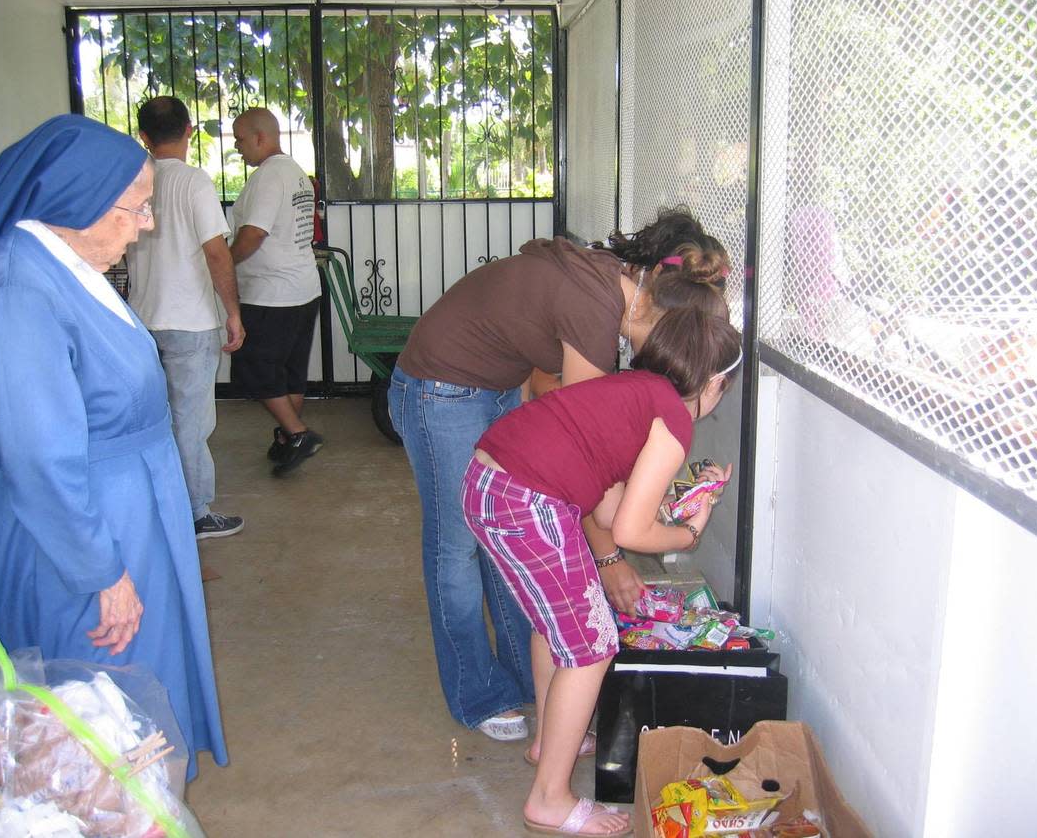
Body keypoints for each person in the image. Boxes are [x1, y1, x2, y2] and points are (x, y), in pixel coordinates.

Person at [0, 114, 227, 780]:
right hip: (82, 529)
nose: (147, 223)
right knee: (98, 701)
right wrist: (99, 573)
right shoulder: (17, 286)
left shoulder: (60, 265)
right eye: (136, 208)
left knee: (136, 689)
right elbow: (39, 454)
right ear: (77, 200)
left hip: (117, 505)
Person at [389, 207, 730, 741]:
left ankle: (533, 679)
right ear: (658, 302)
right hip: (441, 384)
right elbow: (585, 465)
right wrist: (611, 559)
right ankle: (479, 692)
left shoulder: (614, 286)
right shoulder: (595, 308)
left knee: (509, 540)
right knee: (457, 545)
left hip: (494, 383)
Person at [462, 308, 742, 836]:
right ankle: (549, 800)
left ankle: (550, 739)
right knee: (591, 645)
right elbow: (634, 534)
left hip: (490, 485)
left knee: (558, 626)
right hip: (527, 503)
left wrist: (676, 508)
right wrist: (690, 533)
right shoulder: (675, 419)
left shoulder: (636, 388)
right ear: (713, 383)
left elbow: (614, 512)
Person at [127, 96, 246, 540]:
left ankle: (159, 503)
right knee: (192, 422)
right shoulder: (194, 182)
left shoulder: (134, 181)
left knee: (155, 417)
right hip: (192, 322)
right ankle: (195, 513)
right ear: (189, 130)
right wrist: (232, 311)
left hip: (143, 320)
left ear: (143, 137)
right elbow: (216, 253)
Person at [228, 107, 324, 476]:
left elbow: (254, 233)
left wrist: (226, 263)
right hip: (302, 287)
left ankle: (298, 433)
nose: (237, 148)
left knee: (256, 367)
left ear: (259, 137)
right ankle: (288, 437)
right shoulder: (294, 172)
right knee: (289, 372)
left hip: (271, 294)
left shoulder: (269, 177)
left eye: (239, 139)